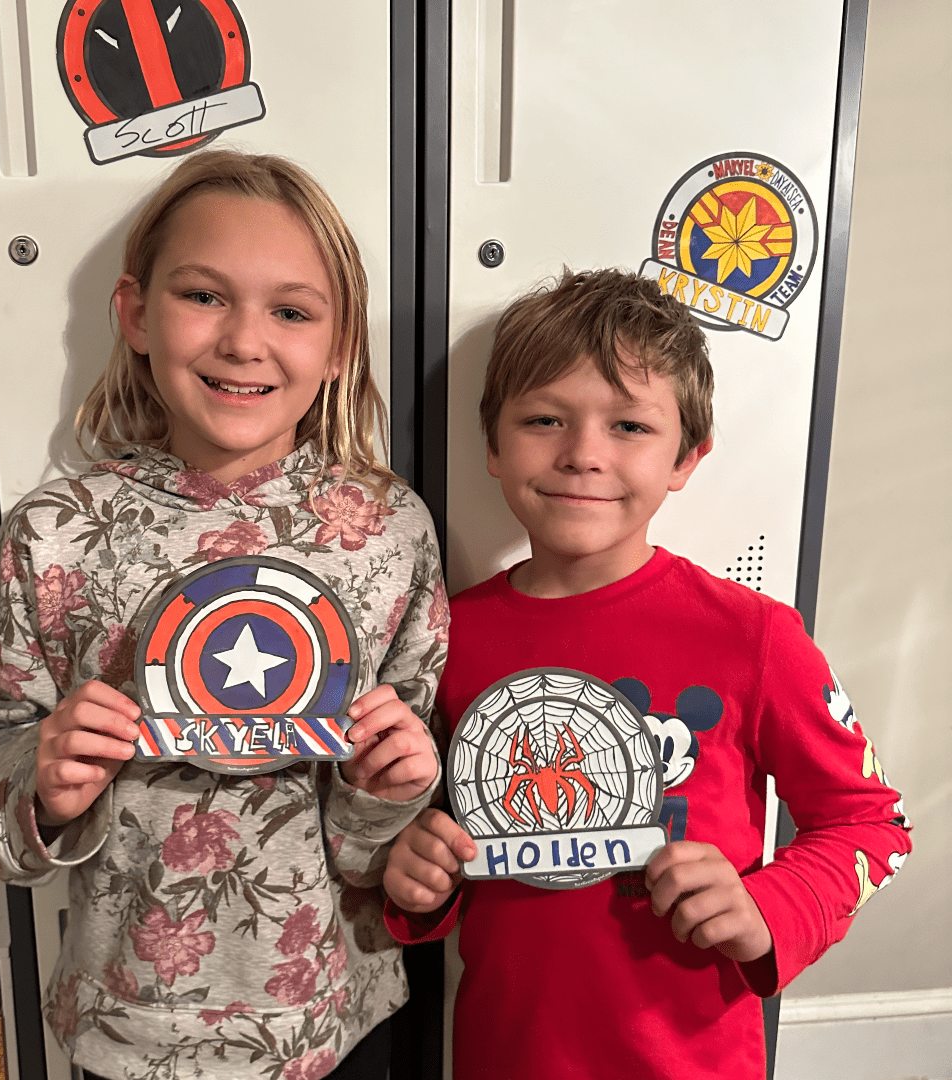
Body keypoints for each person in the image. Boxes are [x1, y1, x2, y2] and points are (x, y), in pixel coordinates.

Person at [0, 150, 449, 1080]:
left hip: (334, 1021)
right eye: (205, 296)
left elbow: (371, 840)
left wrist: (388, 790)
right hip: (126, 1028)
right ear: (137, 314)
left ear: (340, 344)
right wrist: (44, 784)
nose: (243, 341)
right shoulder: (54, 535)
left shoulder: (389, 533)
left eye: (292, 311)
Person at [382, 269, 911, 1079]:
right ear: (493, 445)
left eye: (628, 425)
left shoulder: (755, 637)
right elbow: (439, 840)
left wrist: (768, 907)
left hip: (692, 1060)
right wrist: (420, 880)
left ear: (686, 458)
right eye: (544, 419)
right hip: (503, 1053)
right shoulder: (449, 635)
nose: (583, 455)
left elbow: (874, 825)